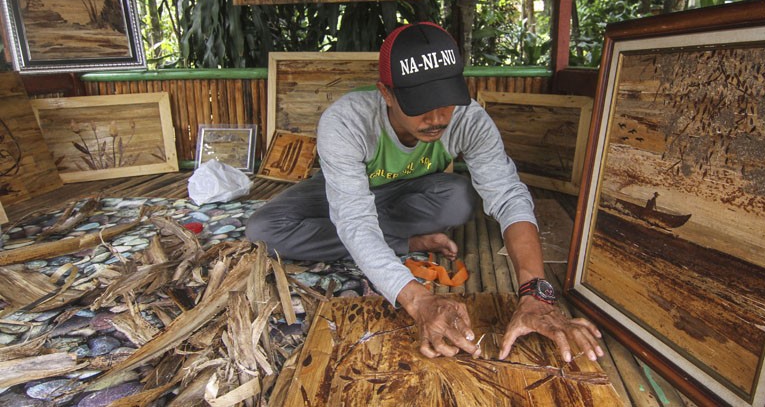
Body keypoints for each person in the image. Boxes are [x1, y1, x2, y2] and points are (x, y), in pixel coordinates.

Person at [246, 22, 603, 362]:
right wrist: (417, 300)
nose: (437, 118)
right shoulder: (345, 122)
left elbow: (508, 195)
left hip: (412, 190)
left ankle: (393, 237)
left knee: (459, 199)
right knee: (263, 231)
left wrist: (535, 293)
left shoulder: (468, 119)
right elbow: (354, 217)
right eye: (420, 104)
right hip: (348, 188)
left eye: (446, 100)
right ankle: (410, 242)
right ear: (385, 93)